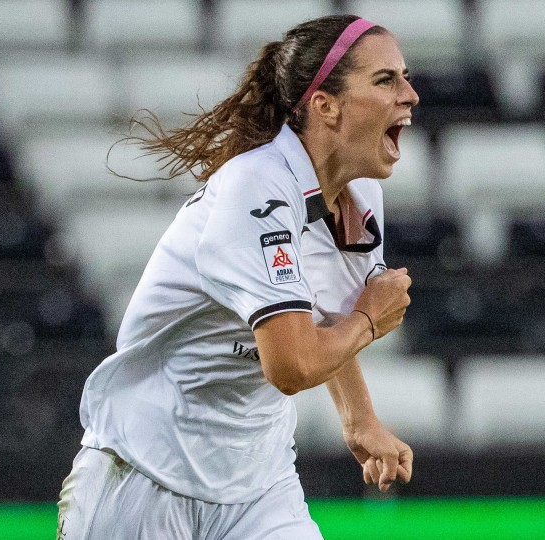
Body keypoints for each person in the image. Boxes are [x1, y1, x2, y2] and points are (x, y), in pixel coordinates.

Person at [57, 14, 419, 539]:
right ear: (326, 106)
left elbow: (320, 314)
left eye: (405, 77)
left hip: (259, 486)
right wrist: (369, 318)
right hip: (146, 474)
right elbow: (292, 365)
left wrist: (359, 417)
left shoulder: (361, 195)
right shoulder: (257, 189)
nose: (410, 94)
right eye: (386, 80)